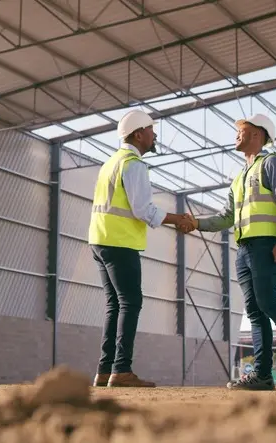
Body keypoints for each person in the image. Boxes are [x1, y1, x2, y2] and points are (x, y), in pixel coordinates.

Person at [181, 114, 276, 390]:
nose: (236, 135)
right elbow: (226, 216)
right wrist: (197, 223)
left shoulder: (272, 163)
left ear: (257, 134)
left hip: (266, 245)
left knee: (269, 303)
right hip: (244, 249)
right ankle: (263, 375)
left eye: (241, 131)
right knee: (255, 311)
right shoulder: (240, 176)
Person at [88, 109, 194, 388]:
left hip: (100, 240)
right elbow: (142, 209)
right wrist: (177, 219)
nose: (154, 134)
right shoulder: (133, 163)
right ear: (138, 134)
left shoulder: (111, 162)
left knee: (115, 305)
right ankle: (121, 370)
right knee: (130, 303)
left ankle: (103, 371)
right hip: (120, 242)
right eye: (150, 129)